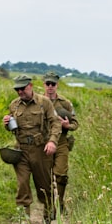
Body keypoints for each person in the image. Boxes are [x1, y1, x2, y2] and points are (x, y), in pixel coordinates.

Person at [3, 74, 61, 224]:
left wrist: (52, 141)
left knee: (44, 185)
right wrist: (6, 123)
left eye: (22, 88)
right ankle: (24, 222)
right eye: (17, 89)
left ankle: (48, 211)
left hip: (41, 150)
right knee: (22, 185)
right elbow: (12, 128)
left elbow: (55, 123)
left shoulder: (44, 103)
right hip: (21, 151)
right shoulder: (14, 105)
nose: (20, 92)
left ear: (30, 86)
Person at [42, 72, 78, 216]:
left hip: (62, 142)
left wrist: (67, 125)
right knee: (45, 177)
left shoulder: (65, 103)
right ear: (44, 84)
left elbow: (76, 123)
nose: (50, 87)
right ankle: (49, 208)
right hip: (44, 141)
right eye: (48, 84)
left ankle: (61, 202)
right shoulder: (38, 101)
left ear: (57, 85)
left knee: (61, 174)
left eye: (53, 84)